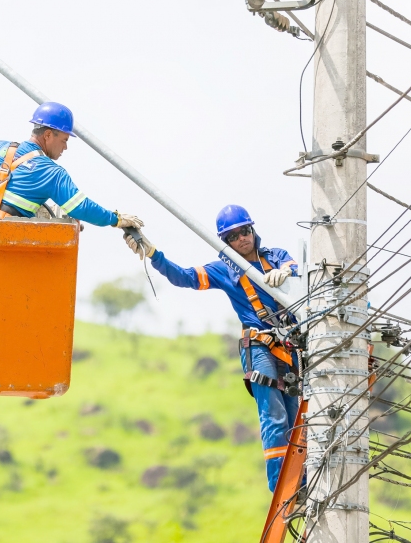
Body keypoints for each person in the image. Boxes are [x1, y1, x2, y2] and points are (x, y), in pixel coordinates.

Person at [123, 204, 299, 492]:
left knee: (295, 419)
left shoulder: (276, 257)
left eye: (245, 231)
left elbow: (295, 266)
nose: (242, 238)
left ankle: (300, 481)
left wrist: (287, 272)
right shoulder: (224, 271)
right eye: (233, 236)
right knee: (275, 416)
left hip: (291, 347)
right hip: (259, 346)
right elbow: (183, 277)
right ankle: (280, 485)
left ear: (253, 230)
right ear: (225, 242)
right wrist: (153, 253)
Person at [0, 101, 144, 230]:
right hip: (5, 245)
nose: (66, 147)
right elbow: (81, 207)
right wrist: (116, 219)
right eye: (64, 139)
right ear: (48, 135)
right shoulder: (52, 173)